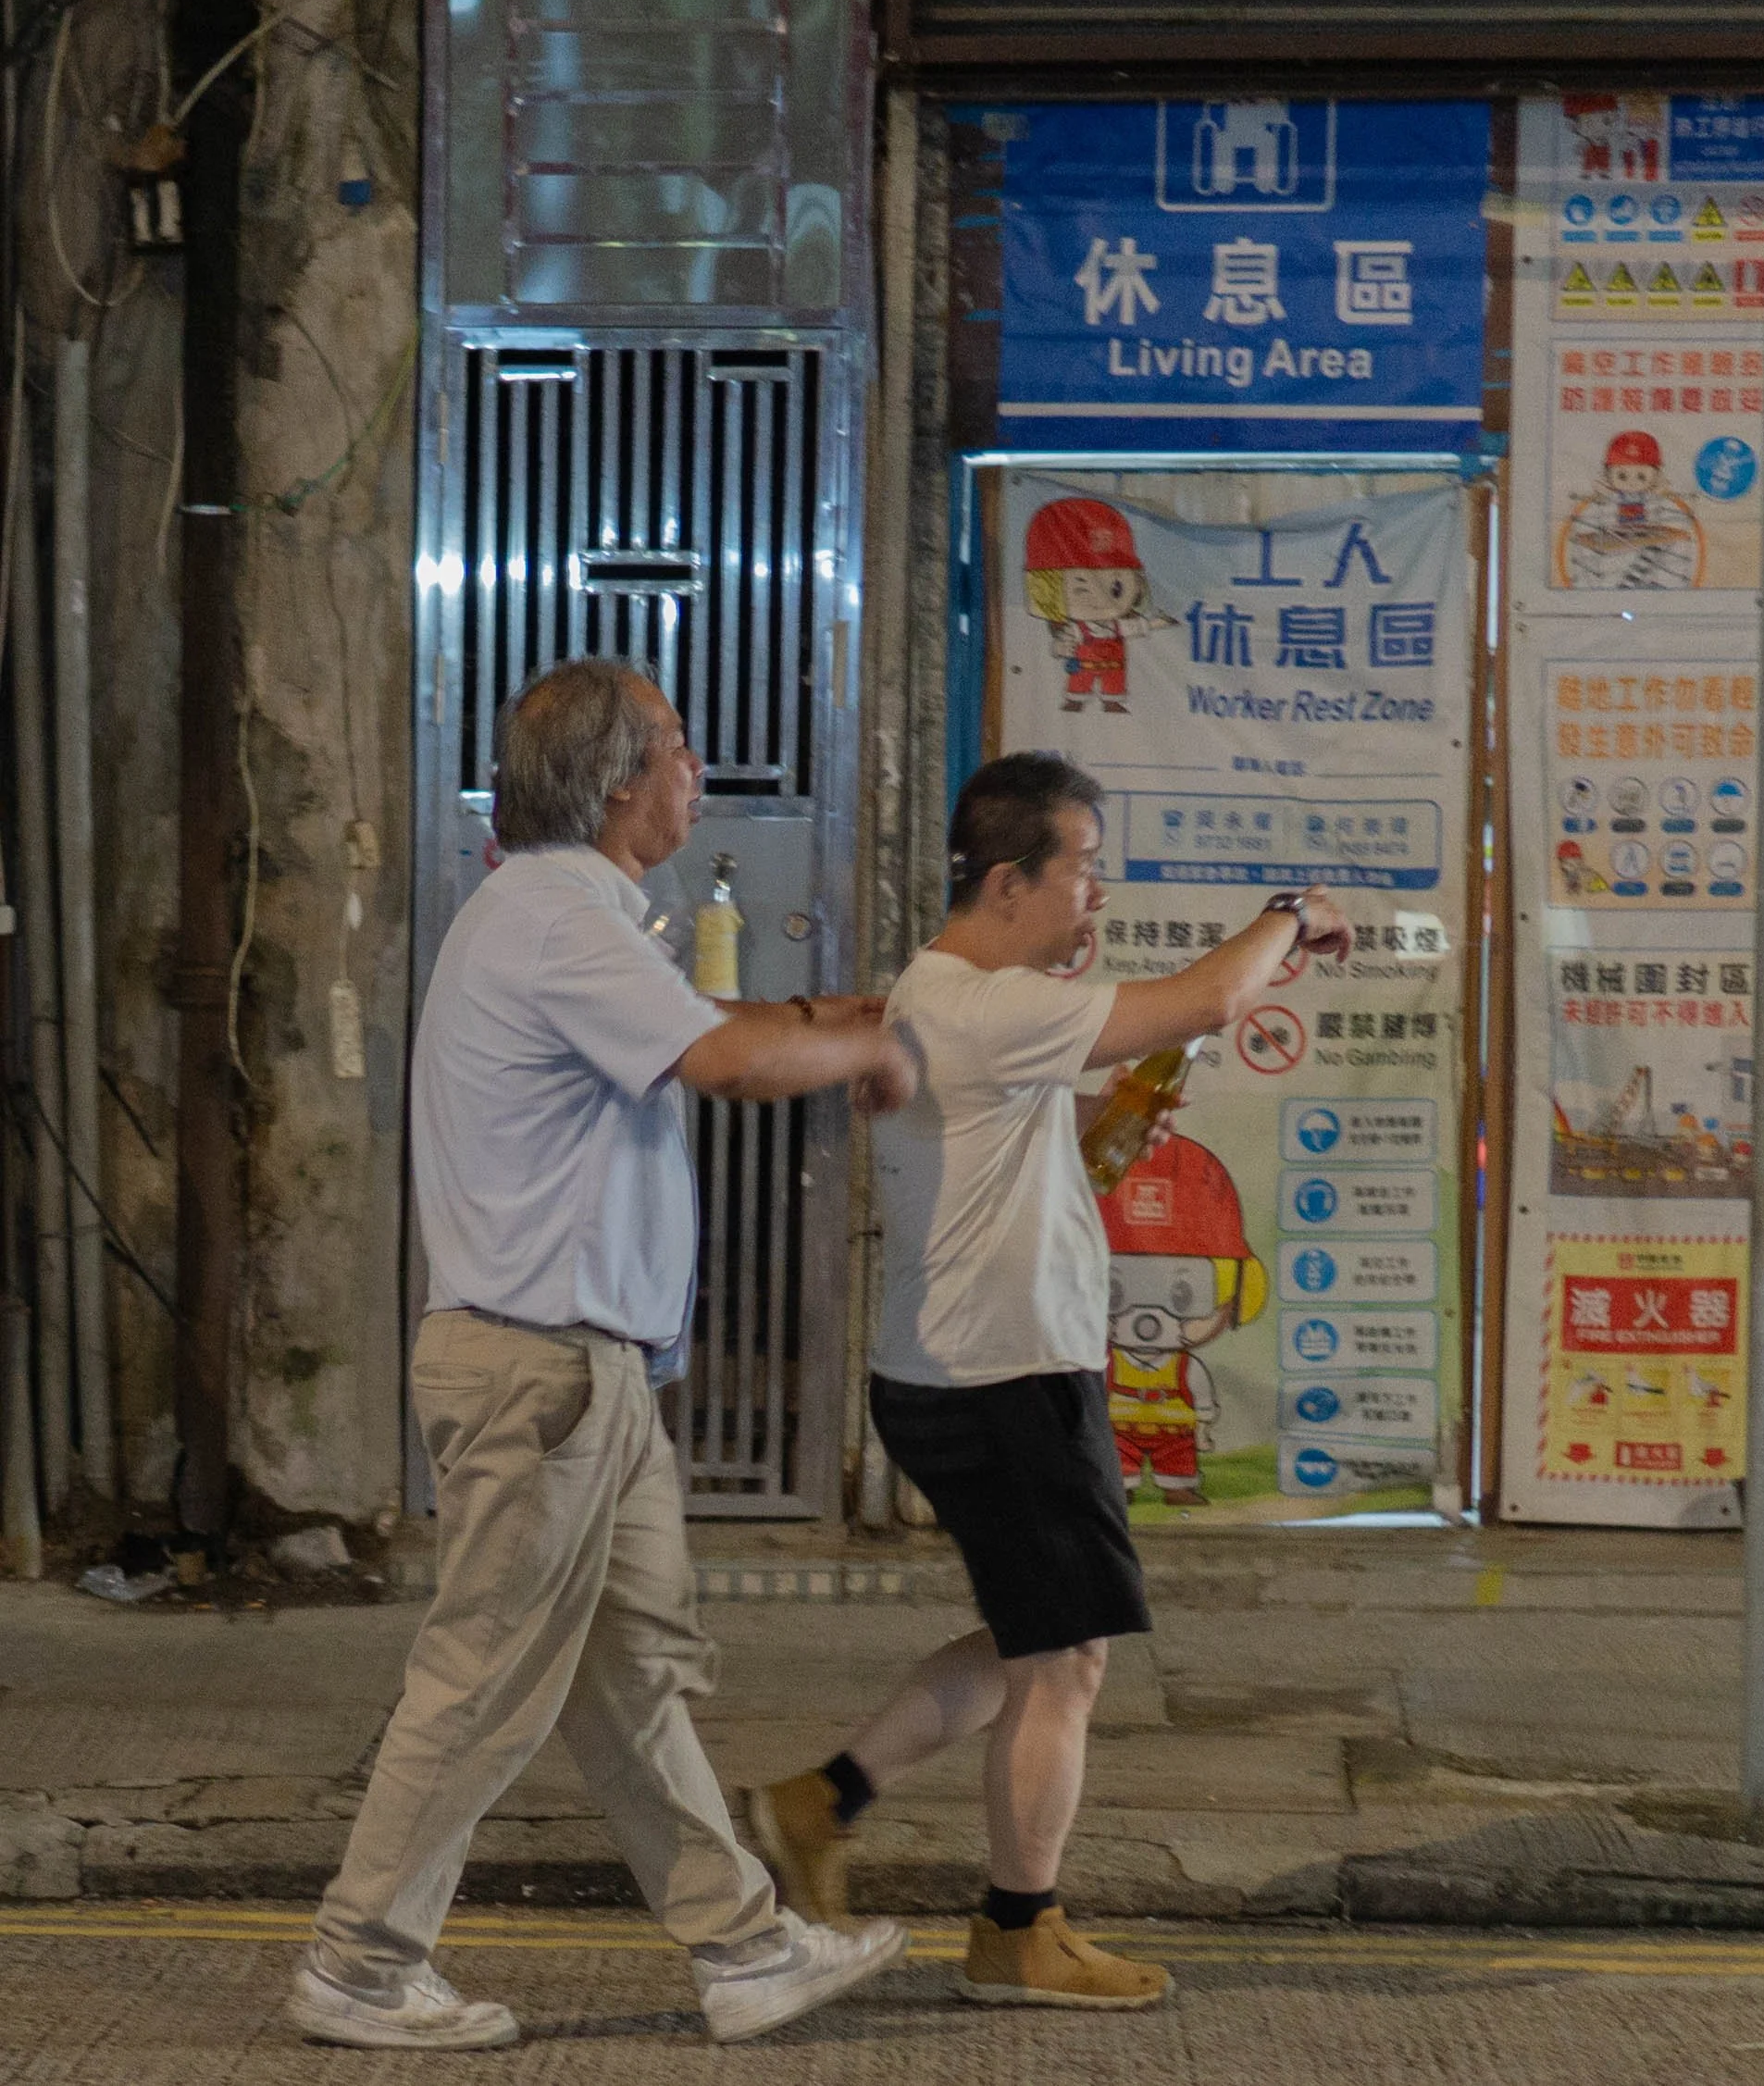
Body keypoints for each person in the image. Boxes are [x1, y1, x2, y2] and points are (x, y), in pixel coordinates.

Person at [290, 659, 916, 2051]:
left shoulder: (573, 920)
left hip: (589, 1373)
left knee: (635, 1675)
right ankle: (358, 1964)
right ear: (619, 781)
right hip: (540, 1373)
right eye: (682, 749)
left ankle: (745, 1948)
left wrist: (859, 1025)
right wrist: (872, 1039)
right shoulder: (552, 919)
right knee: (483, 1682)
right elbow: (727, 1062)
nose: (700, 774)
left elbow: (736, 1036)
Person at [745, 751, 1349, 2009]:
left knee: (1038, 1642)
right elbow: (1197, 999)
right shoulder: (974, 1001)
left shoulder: (961, 998)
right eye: (1083, 865)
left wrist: (1125, 1098)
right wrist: (1288, 916)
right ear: (1011, 877)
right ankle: (1018, 1929)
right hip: (1002, 1373)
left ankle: (825, 1801)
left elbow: (1055, 1125)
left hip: (967, 1365)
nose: (1097, 891)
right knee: (1067, 1658)